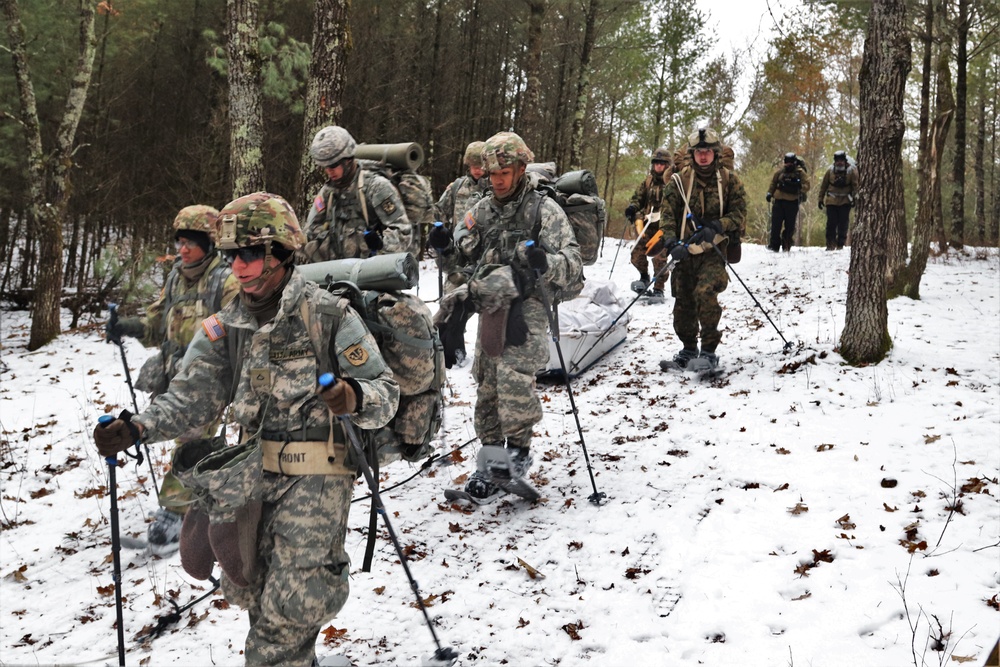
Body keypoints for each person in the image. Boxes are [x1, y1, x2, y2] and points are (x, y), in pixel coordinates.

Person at [94, 192, 399, 667]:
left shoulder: (328, 315)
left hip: (317, 481)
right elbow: (191, 398)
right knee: (254, 596)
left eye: (250, 254)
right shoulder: (224, 326)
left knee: (289, 609)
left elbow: (385, 393)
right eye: (231, 255)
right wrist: (137, 427)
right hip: (248, 480)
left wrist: (353, 397)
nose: (238, 266)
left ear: (281, 251)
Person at [428, 131, 582, 500]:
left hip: (528, 301)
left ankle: (518, 451)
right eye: (492, 173)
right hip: (492, 300)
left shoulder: (544, 211)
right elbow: (462, 262)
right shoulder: (480, 210)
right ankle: (493, 456)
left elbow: (574, 267)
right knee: (487, 382)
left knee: (513, 374)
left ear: (521, 169)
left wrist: (547, 263)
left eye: (504, 172)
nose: (496, 179)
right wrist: (445, 248)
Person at [106, 205, 239, 553]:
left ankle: (175, 517)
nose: (182, 250)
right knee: (192, 446)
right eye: (179, 242)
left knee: (191, 446)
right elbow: (156, 324)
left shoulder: (225, 280)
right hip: (176, 377)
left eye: (190, 243)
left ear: (209, 244)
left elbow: (238, 331)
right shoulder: (176, 277)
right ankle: (201, 505)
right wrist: (128, 326)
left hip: (210, 381)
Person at [656, 126, 747, 370]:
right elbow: (667, 215)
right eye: (698, 152)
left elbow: (739, 214)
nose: (703, 156)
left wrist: (718, 226)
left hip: (713, 251)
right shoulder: (678, 180)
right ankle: (688, 349)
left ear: (715, 153)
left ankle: (708, 351)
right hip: (684, 253)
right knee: (683, 300)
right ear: (692, 154)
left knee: (706, 293)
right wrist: (671, 241)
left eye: (707, 151)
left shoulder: (730, 180)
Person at [298, 125, 414, 264]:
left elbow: (403, 231)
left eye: (333, 165)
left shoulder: (375, 187)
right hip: (336, 274)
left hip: (373, 274)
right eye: (325, 167)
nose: (329, 171)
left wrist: (381, 245)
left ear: (347, 160)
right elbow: (308, 232)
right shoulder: (328, 192)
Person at [626, 146, 672, 299]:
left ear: (667, 165)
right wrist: (633, 208)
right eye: (656, 163)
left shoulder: (673, 183)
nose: (659, 166)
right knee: (636, 254)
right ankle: (644, 278)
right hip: (647, 225)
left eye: (662, 163)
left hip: (664, 227)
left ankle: (659, 288)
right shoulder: (647, 182)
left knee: (660, 258)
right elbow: (637, 198)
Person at [765, 152, 810, 252]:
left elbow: (807, 185)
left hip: (792, 202)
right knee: (775, 224)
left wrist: (798, 188)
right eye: (786, 163)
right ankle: (774, 245)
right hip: (778, 201)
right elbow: (773, 183)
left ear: (794, 163)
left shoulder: (800, 173)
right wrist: (769, 193)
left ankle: (786, 244)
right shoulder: (780, 172)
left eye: (790, 163)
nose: (788, 165)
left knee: (789, 226)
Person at [817, 150, 858, 250]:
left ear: (845, 160)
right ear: (834, 161)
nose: (839, 162)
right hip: (831, 201)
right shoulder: (830, 171)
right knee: (831, 223)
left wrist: (855, 199)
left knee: (843, 224)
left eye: (841, 160)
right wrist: (820, 199)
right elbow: (824, 186)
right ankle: (830, 244)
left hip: (845, 201)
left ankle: (840, 244)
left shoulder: (851, 171)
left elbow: (855, 186)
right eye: (837, 160)